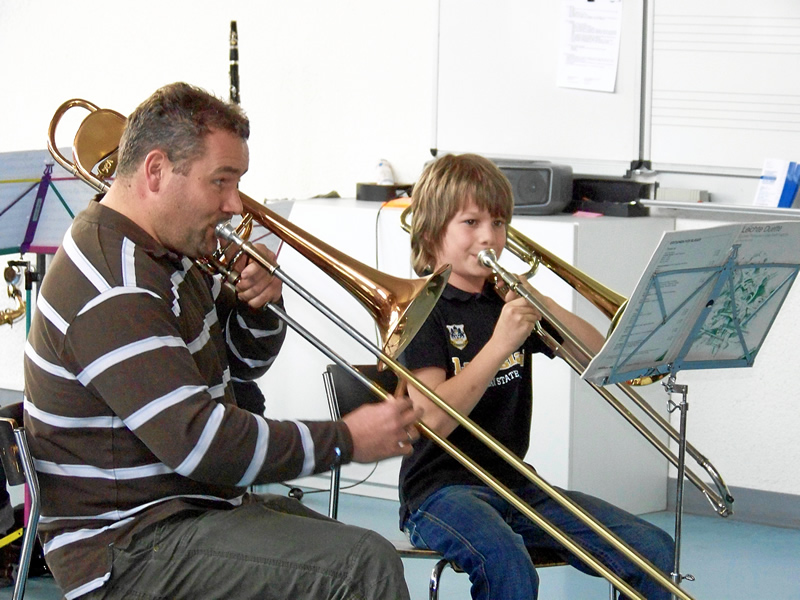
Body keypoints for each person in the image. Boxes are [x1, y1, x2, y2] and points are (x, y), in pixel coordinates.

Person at [23, 82, 422, 600]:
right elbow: (201, 442)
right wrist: (347, 438)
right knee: (363, 567)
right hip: (127, 548)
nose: (235, 204)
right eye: (221, 181)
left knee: (355, 550)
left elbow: (240, 364)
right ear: (156, 171)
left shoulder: (165, 257)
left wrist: (261, 303)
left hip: (187, 509)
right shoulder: (115, 285)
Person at [398, 153, 675, 600]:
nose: (489, 237)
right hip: (439, 492)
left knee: (652, 550)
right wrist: (499, 346)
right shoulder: (421, 310)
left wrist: (543, 303)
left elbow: (599, 359)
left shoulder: (506, 303)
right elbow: (433, 420)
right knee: (508, 564)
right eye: (471, 222)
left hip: (514, 483)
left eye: (499, 223)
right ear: (431, 233)